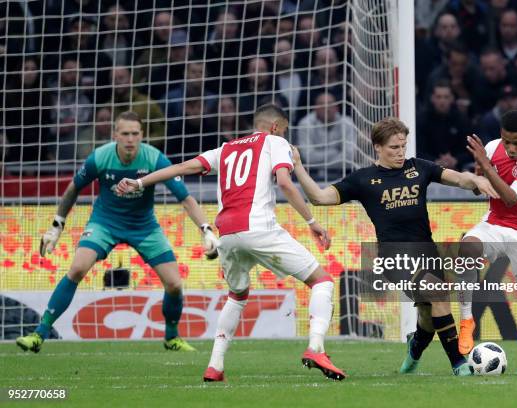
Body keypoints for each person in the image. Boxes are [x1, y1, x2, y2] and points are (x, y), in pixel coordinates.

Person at [116, 104, 346, 382]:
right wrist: (312, 223)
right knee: (322, 281)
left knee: (237, 295)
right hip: (259, 228)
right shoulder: (276, 141)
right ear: (275, 127)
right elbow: (285, 183)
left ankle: (215, 365)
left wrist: (139, 183)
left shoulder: (225, 149)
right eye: (284, 131)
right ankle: (316, 347)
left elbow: (182, 167)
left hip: (227, 234)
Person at [291, 117, 499, 376]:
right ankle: (459, 364)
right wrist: (298, 166)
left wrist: (476, 180)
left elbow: (457, 179)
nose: (400, 153)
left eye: (403, 146)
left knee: (428, 316)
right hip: (394, 256)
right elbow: (319, 198)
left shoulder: (418, 168)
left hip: (427, 252)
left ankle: (414, 349)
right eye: (393, 148)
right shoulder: (363, 180)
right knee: (438, 294)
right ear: (377, 147)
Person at [16, 111, 211, 354]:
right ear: (115, 135)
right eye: (125, 133)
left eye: (135, 134)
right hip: (105, 223)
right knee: (77, 268)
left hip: (144, 226)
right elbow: (73, 189)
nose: (130, 139)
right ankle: (39, 334)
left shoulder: (154, 158)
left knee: (174, 284)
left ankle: (171, 337)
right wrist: (57, 225)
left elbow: (186, 198)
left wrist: (206, 230)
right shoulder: (100, 157)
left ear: (142, 135)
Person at [458, 110, 517, 375]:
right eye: (507, 141)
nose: (511, 148)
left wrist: (486, 166)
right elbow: (480, 189)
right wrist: (478, 175)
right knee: (467, 246)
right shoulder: (491, 148)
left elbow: (511, 198)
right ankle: (466, 319)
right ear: (501, 135)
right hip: (495, 224)